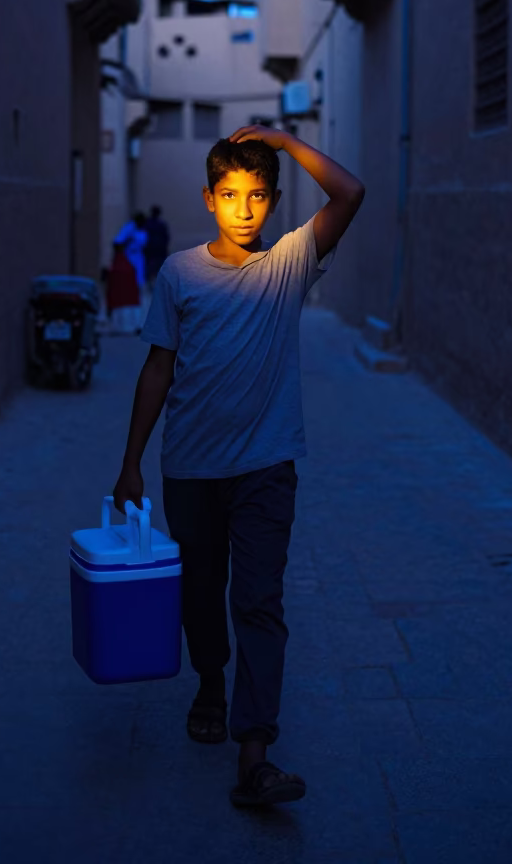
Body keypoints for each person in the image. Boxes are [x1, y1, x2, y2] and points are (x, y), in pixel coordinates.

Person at [112, 126, 364, 808]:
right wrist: (130, 461)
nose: (245, 208)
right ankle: (211, 681)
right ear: (209, 199)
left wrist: (284, 139)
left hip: (265, 468)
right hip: (190, 467)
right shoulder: (181, 274)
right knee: (201, 594)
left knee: (257, 600)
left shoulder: (290, 261)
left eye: (257, 196)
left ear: (275, 200)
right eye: (230, 195)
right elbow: (158, 368)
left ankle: (255, 754)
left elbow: (350, 191)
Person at [108, 213, 148, 334]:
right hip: (128, 263)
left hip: (138, 262)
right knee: (129, 294)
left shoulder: (142, 231)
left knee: (139, 293)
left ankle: (139, 323)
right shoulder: (129, 228)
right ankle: (126, 324)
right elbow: (117, 243)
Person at [142, 205, 170, 293]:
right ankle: (155, 286)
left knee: (152, 269)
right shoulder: (160, 225)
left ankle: (152, 286)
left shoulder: (148, 224)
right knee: (157, 269)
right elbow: (166, 238)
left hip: (153, 251)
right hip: (157, 251)